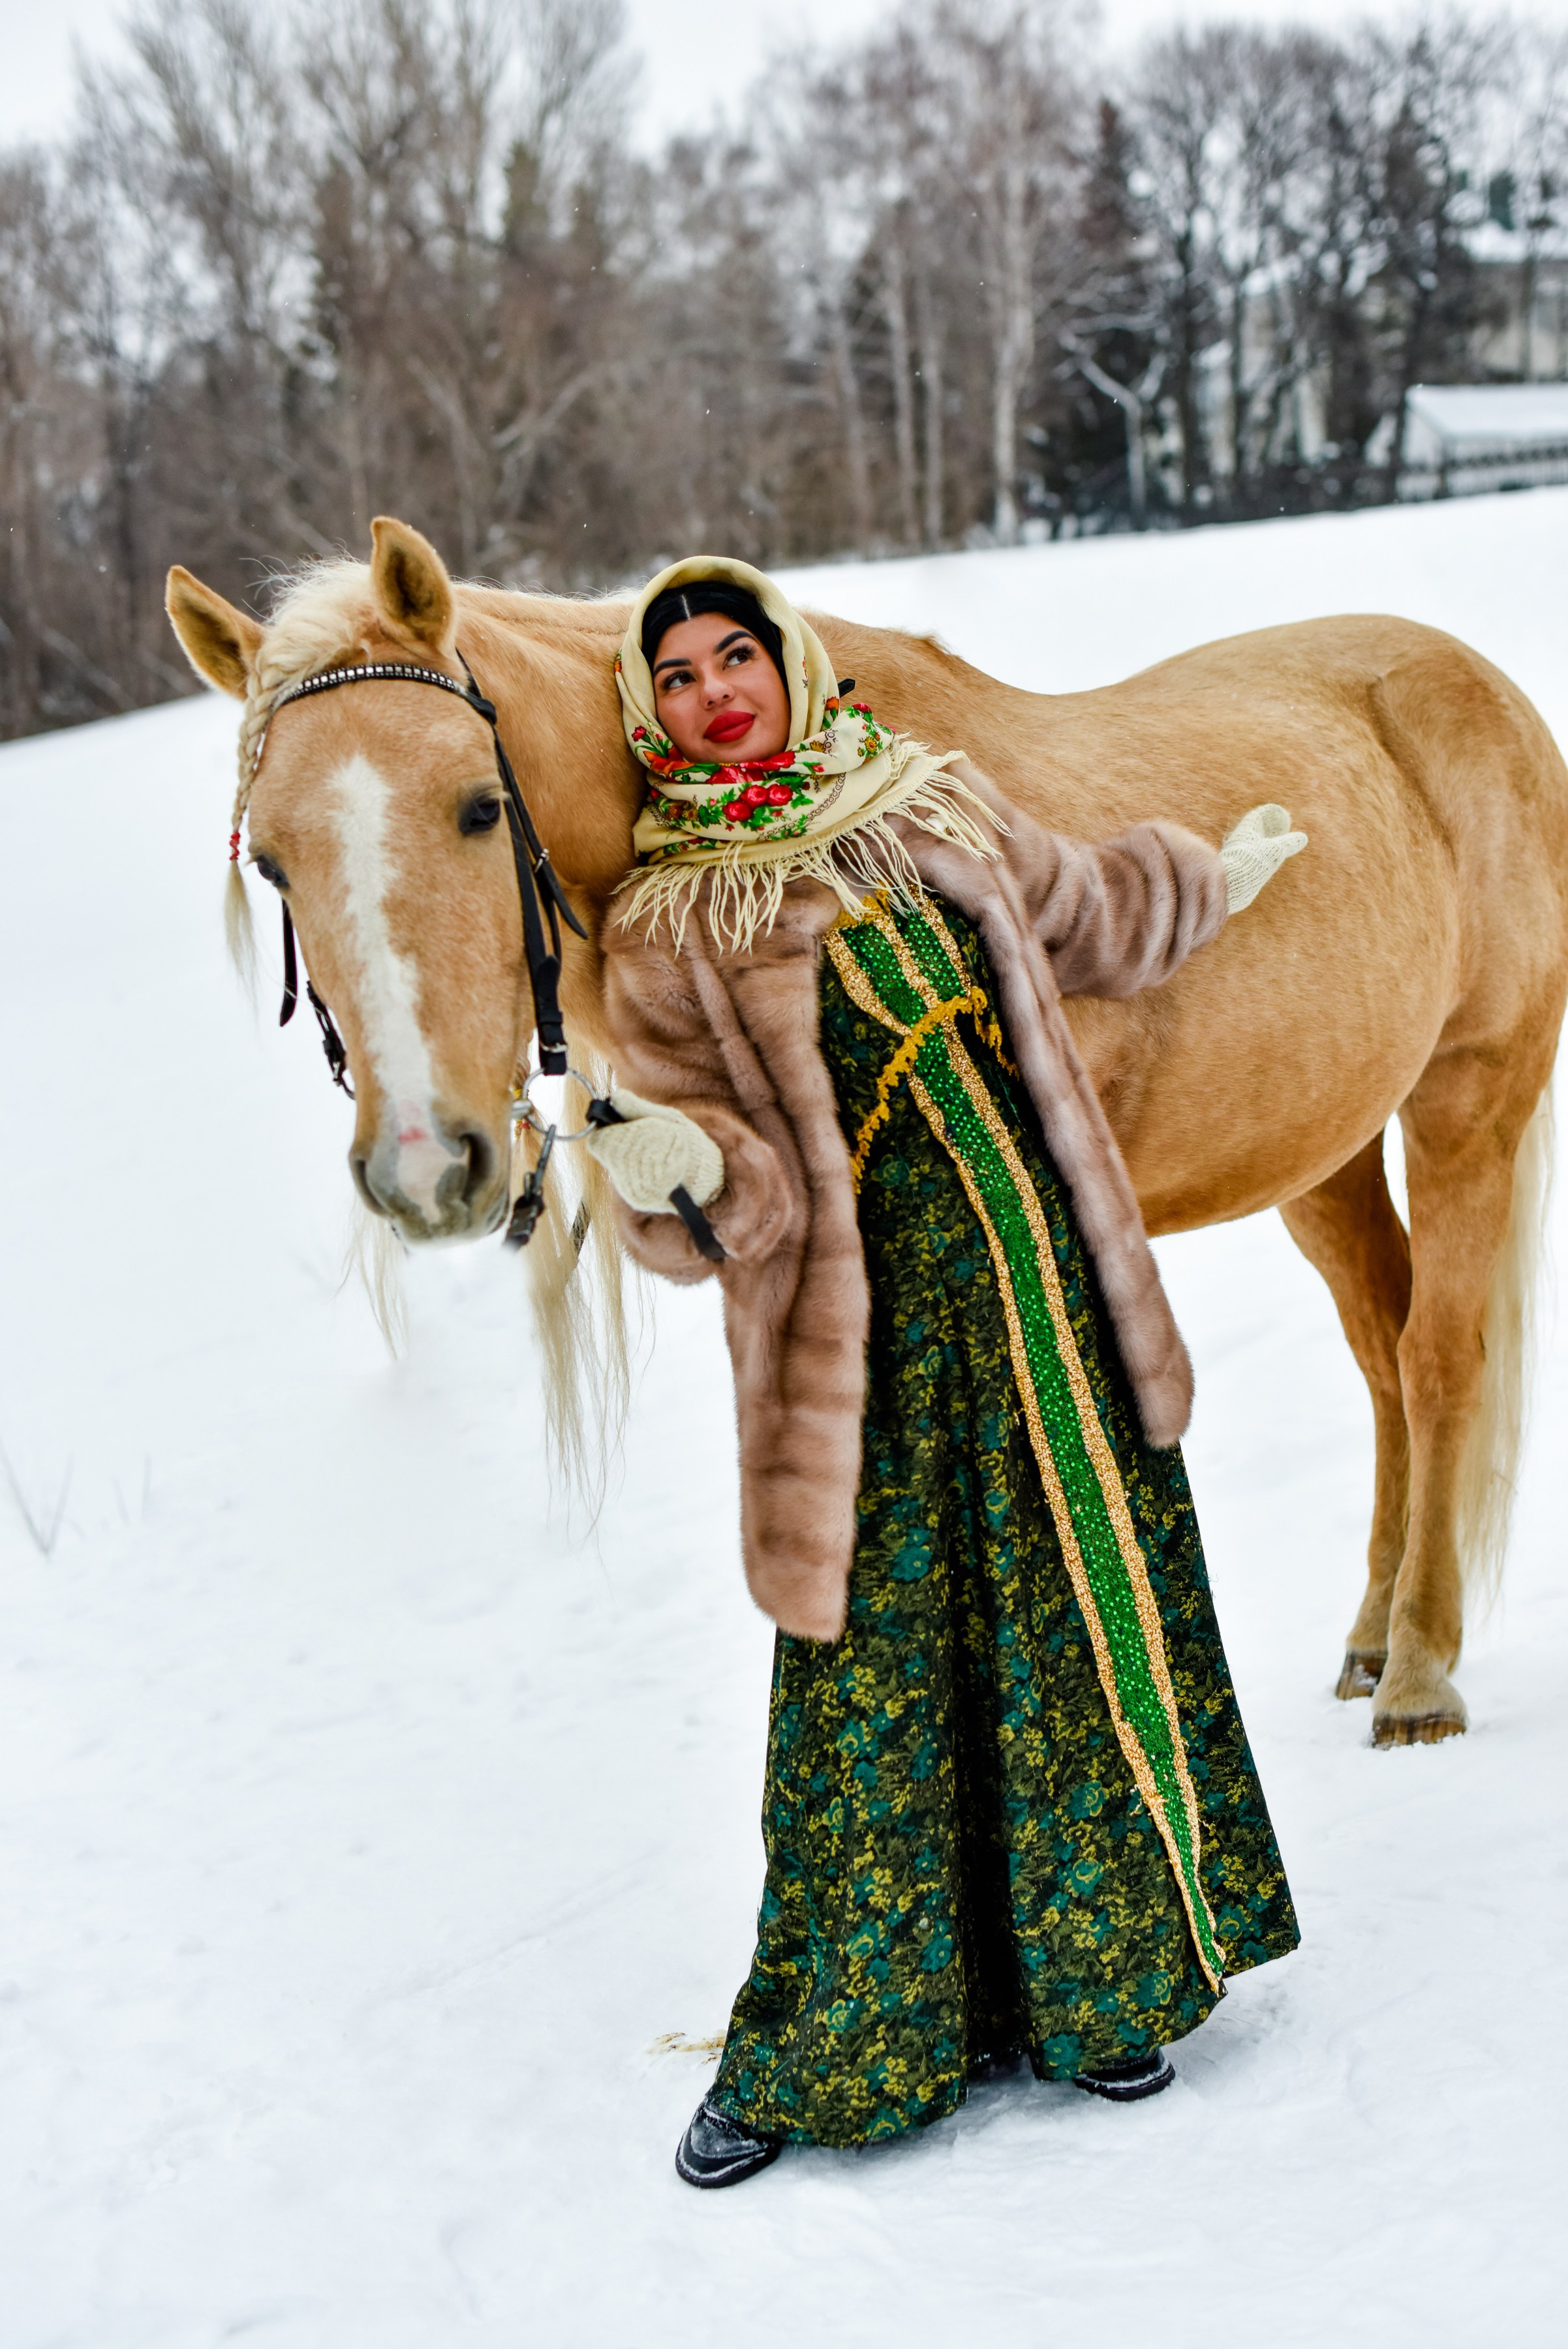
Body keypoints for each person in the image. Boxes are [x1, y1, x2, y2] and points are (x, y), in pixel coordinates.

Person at [584, 558, 1304, 2188]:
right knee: (871, 1687)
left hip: (1048, 1302)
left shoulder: (923, 808)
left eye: (733, 658)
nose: (715, 694)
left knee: (1072, 1618)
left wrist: (1215, 876)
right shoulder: (670, 927)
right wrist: (668, 1168)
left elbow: (1091, 910)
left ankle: (1105, 1986)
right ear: (653, 719)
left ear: (786, 661)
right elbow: (737, 1213)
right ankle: (829, 2042)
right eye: (679, 680)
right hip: (869, 1363)